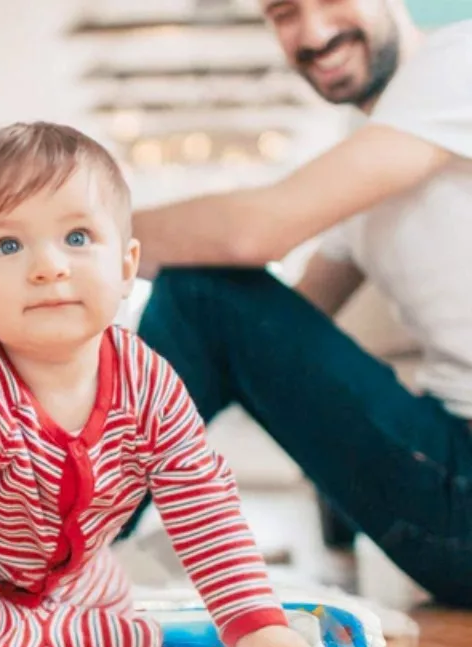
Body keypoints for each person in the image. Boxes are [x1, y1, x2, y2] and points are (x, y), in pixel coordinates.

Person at [0, 121, 320, 647]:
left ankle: (49, 621)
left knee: (113, 593)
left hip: (64, 569)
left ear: (128, 266)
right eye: (9, 245)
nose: (49, 266)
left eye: (77, 237)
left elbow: (202, 502)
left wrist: (251, 620)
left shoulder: (149, 381)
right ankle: (53, 630)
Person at [125, 0, 472, 607]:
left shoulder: (458, 60)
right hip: (448, 471)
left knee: (198, 292)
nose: (312, 32)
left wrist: (61, 233)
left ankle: (60, 553)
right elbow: (283, 321)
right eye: (284, 13)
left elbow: (256, 235)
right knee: (205, 299)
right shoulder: (367, 141)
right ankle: (62, 536)